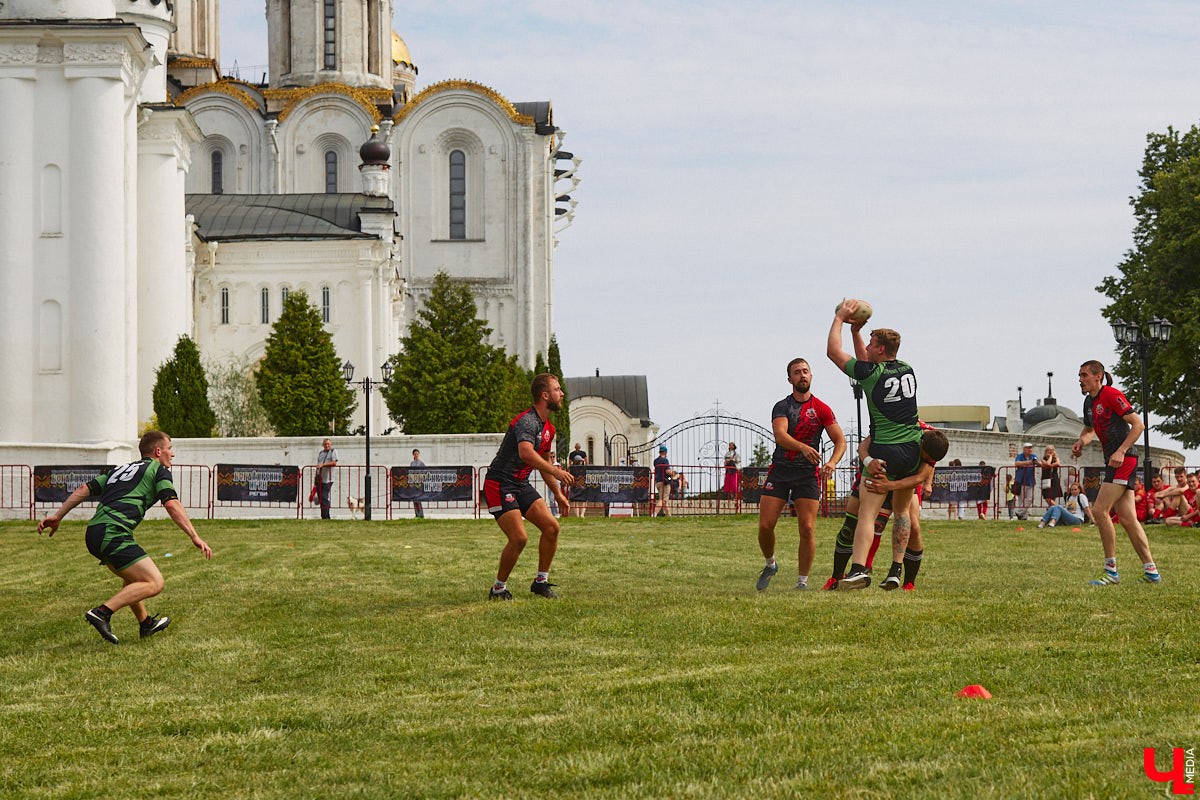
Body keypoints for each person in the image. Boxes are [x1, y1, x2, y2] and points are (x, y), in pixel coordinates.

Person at [37, 431, 213, 644]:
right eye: (170, 448)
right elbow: (172, 504)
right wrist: (194, 536)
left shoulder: (120, 469)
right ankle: (102, 612)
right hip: (113, 532)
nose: (172, 454)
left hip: (94, 532)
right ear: (158, 451)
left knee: (133, 578)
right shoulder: (158, 471)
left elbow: (85, 488)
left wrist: (58, 515)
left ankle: (146, 623)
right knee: (155, 582)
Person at [827, 299, 921, 591]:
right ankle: (895, 569)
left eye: (870, 343)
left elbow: (833, 353)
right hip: (913, 449)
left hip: (886, 449)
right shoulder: (906, 368)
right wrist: (858, 333)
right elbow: (866, 365)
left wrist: (841, 320)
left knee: (867, 514)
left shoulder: (872, 374)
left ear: (880, 349)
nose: (867, 347)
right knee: (903, 513)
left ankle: (858, 569)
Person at [755, 358, 846, 592]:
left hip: (807, 475)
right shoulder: (782, 406)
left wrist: (832, 463)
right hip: (781, 471)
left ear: (811, 376)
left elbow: (840, 441)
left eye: (805, 371)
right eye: (797, 373)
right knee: (766, 526)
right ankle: (770, 563)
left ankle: (802, 581)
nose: (802, 375)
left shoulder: (822, 409)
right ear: (790, 380)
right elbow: (780, 436)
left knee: (807, 528)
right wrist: (804, 448)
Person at [1069, 360, 1162, 585]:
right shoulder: (1088, 403)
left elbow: (1138, 425)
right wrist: (1081, 441)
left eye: (1084, 375)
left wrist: (1121, 450)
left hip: (1124, 459)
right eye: (1079, 375)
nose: (1080, 379)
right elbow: (1089, 430)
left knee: (1100, 510)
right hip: (1113, 460)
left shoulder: (1111, 394)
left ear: (1097, 376)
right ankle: (1152, 572)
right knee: (1129, 519)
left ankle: (1111, 571)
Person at [485, 373, 574, 600]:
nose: (561, 393)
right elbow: (526, 453)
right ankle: (498, 589)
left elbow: (543, 463)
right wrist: (557, 470)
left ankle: (540, 582)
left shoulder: (548, 429)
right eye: (557, 389)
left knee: (552, 528)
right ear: (545, 395)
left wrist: (557, 494)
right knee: (519, 538)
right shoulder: (527, 421)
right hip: (500, 484)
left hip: (520, 484)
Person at [862, 426, 950, 590]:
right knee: (877, 522)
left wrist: (928, 483)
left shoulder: (935, 442)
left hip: (908, 481)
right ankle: (864, 566)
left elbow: (922, 474)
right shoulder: (907, 428)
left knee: (914, 527)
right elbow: (865, 444)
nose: (925, 458)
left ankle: (908, 580)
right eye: (926, 456)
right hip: (886, 472)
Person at [1012, 443, 1039, 520]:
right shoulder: (1020, 456)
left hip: (1030, 480)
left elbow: (1040, 463)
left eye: (1031, 448)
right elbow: (1017, 463)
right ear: (1024, 449)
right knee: (1021, 499)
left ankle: (1019, 512)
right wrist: (1030, 462)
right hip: (1021, 480)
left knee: (1030, 498)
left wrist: (1036, 462)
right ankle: (1023, 516)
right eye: (1028, 448)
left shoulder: (1034, 456)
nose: (1030, 449)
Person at [313, 438, 338, 519]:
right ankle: (323, 516)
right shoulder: (321, 453)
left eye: (328, 444)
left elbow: (334, 462)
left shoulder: (333, 451)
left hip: (328, 479)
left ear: (330, 445)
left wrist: (323, 465)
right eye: (325, 444)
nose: (327, 445)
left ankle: (326, 517)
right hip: (319, 479)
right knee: (321, 498)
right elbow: (318, 465)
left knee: (324, 497)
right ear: (323, 445)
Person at [653, 445, 675, 517]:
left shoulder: (656, 461)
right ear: (665, 453)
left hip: (658, 482)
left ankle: (669, 516)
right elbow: (667, 471)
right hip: (664, 482)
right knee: (662, 500)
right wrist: (673, 473)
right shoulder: (665, 460)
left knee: (665, 501)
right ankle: (654, 514)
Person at [409, 448, 426, 519]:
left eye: (417, 454)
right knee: (414, 499)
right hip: (414, 483)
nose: (416, 455)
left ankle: (421, 514)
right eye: (415, 454)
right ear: (413, 455)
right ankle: (416, 514)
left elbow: (424, 471)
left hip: (419, 483)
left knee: (419, 499)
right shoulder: (412, 463)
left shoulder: (421, 463)